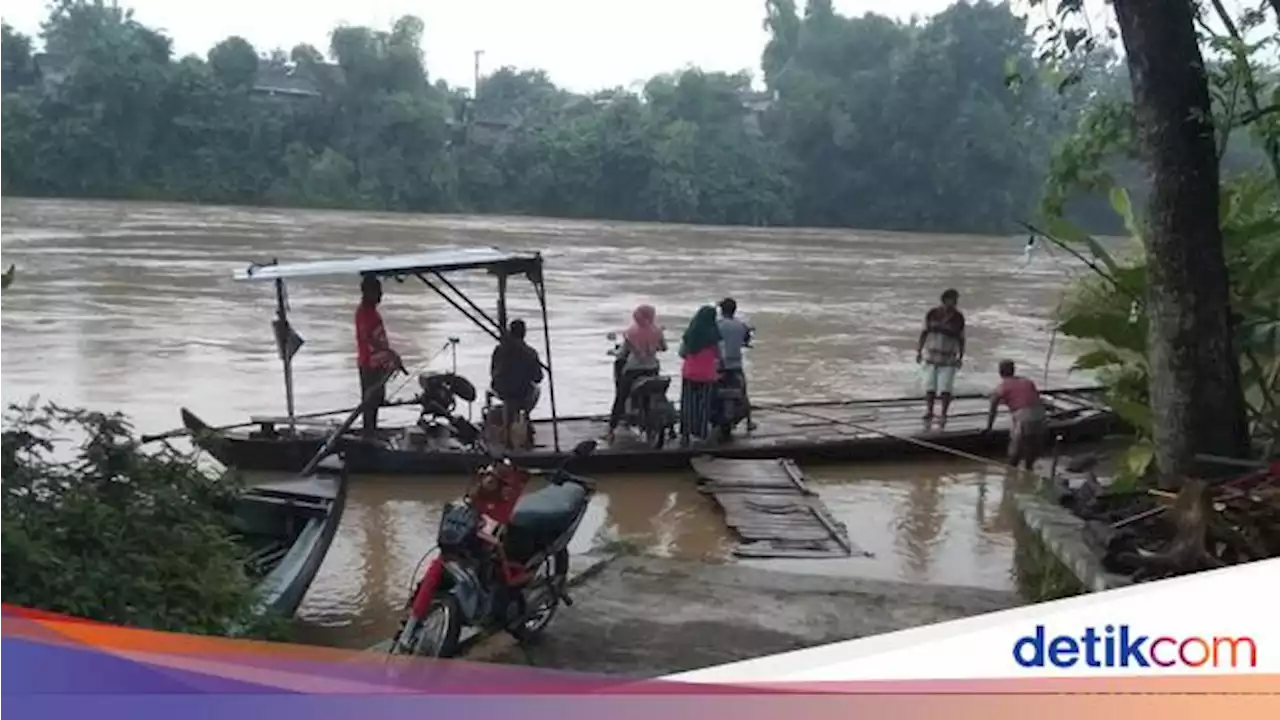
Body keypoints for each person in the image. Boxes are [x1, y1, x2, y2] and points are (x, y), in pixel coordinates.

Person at [605, 304, 667, 443]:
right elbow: (664, 348)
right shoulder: (657, 331)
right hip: (652, 368)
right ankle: (649, 427)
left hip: (634, 370)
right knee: (647, 397)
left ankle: (611, 429)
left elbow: (622, 353)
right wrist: (652, 347)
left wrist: (614, 352)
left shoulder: (631, 333)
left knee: (621, 397)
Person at [355, 274, 403, 440]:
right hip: (369, 365)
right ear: (368, 292)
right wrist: (390, 353)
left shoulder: (372, 312)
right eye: (378, 291)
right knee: (370, 404)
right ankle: (368, 437)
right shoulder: (363, 313)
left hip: (378, 364)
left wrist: (389, 358)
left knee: (376, 403)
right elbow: (368, 337)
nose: (381, 295)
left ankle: (371, 434)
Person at [915, 288, 966, 429]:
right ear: (945, 300)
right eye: (953, 299)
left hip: (949, 357)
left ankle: (943, 413)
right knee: (930, 387)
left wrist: (961, 356)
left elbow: (961, 339)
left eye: (956, 300)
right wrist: (919, 351)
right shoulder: (932, 314)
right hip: (931, 355)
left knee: (946, 388)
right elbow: (923, 333)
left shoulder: (958, 318)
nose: (955, 303)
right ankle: (929, 411)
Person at [985, 359, 1048, 470]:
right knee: (1032, 447)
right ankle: (1029, 469)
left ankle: (1011, 475)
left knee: (1015, 451)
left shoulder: (1002, 387)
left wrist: (989, 428)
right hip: (1041, 415)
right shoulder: (1028, 382)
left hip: (1024, 418)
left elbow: (992, 410)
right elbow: (1031, 398)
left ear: (1000, 372)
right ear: (1013, 371)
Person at [490, 319, 544, 443]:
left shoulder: (499, 350)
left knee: (510, 396)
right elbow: (538, 377)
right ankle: (526, 418)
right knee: (536, 390)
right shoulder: (530, 352)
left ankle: (509, 425)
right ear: (524, 333)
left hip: (500, 388)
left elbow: (492, 371)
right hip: (521, 391)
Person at [678, 305, 721, 447]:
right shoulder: (714, 334)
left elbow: (682, 353)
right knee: (704, 406)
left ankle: (685, 434)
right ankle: (701, 434)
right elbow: (718, 355)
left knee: (688, 404)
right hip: (707, 375)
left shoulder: (690, 333)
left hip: (690, 373)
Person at [716, 297, 757, 432]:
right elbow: (746, 338)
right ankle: (749, 422)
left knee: (713, 390)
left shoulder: (717, 324)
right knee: (743, 391)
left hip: (720, 365)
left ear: (722, 311)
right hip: (735, 364)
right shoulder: (740, 325)